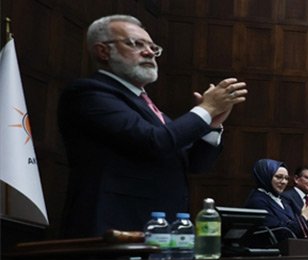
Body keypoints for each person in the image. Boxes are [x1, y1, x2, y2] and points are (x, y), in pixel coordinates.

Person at [60, 14, 246, 236]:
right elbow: (154, 142)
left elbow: (195, 164)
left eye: (152, 47)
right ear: (103, 51)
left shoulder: (149, 108)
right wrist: (205, 110)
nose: (149, 52)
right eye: (135, 44)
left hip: (160, 229)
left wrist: (212, 126)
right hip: (113, 227)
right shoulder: (89, 93)